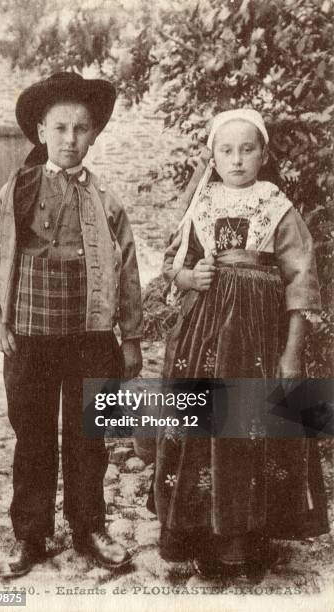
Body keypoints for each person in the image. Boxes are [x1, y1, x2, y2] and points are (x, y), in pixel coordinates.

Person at [0, 72, 143, 578]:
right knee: (34, 437)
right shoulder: (17, 190)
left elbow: (127, 269)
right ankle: (32, 535)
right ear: (41, 131)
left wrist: (130, 338)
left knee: (90, 436)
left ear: (93, 134)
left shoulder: (106, 201)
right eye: (61, 128)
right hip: (30, 340)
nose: (71, 140)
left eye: (81, 129)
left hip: (90, 340)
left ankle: (89, 528)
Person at [148, 109, 329, 576]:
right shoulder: (200, 205)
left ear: (263, 154)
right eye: (226, 150)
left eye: (247, 149)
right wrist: (192, 275)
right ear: (212, 155)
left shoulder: (276, 207)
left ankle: (245, 540)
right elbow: (173, 264)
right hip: (204, 339)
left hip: (258, 340)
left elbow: (301, 280)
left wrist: (292, 352)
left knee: (251, 429)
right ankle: (199, 533)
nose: (237, 159)